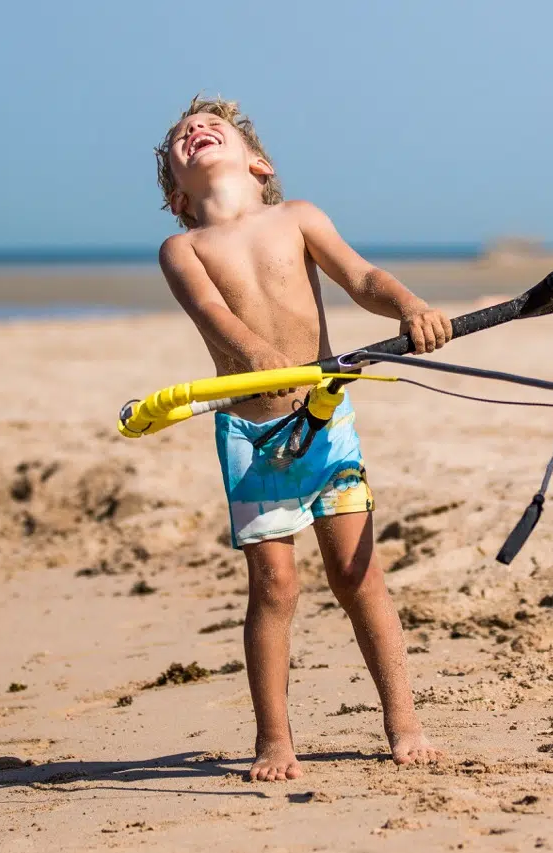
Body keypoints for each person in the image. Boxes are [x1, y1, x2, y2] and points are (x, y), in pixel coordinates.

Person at [154, 96, 450, 781]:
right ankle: (275, 739)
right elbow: (210, 312)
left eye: (209, 128)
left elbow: (362, 278)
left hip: (324, 419)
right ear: (177, 195)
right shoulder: (183, 248)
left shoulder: (298, 217)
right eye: (181, 138)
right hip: (251, 435)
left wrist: (409, 305)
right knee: (275, 583)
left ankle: (403, 721)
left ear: (258, 163)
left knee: (357, 572)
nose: (194, 133)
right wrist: (254, 350)